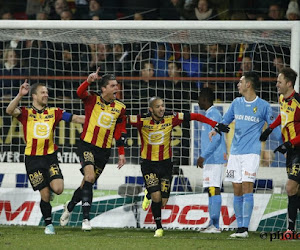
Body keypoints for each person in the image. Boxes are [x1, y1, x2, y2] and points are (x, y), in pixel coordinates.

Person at [129, 96, 229, 237]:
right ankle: (159, 227)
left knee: (163, 201)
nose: (162, 108)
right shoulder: (141, 120)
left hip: (165, 164)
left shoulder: (172, 117)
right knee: (156, 196)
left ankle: (149, 192)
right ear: (150, 109)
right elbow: (121, 120)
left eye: (162, 105)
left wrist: (215, 124)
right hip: (148, 164)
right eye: (158, 107)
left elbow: (195, 116)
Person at [6, 80, 85, 234]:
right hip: (32, 159)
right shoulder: (25, 112)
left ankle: (49, 186)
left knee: (59, 189)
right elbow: (9, 110)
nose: (46, 94)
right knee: (45, 194)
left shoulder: (54, 112)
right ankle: (49, 224)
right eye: (42, 92)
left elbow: (75, 118)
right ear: (34, 96)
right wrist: (20, 95)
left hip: (50, 157)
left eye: (47, 92)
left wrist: (97, 123)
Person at [60, 68, 127, 231]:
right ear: (103, 88)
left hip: (104, 151)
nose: (116, 88)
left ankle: (69, 206)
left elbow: (120, 131)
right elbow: (79, 92)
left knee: (86, 183)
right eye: (112, 86)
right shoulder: (92, 99)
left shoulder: (120, 107)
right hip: (87, 144)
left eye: (116, 85)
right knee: (89, 176)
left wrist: (121, 153)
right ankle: (86, 219)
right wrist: (89, 80)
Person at [210, 72, 274, 238]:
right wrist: (216, 129)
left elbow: (273, 125)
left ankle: (244, 228)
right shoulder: (236, 103)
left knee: (247, 187)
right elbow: (225, 121)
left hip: (251, 153)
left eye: (241, 82)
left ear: (249, 85)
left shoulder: (264, 106)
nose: (238, 84)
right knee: (236, 189)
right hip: (235, 153)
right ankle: (240, 228)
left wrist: (271, 140)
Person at [260, 67, 300, 240]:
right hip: (290, 151)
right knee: (296, 191)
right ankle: (292, 229)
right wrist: (270, 128)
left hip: (298, 149)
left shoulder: (298, 102)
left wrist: (290, 143)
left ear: (289, 83)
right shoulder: (283, 99)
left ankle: (290, 230)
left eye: (280, 81)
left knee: (290, 187)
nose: (277, 84)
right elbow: (282, 117)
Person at [197, 88, 227, 233]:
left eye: (199, 98)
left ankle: (215, 225)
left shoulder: (214, 114)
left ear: (204, 99)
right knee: (211, 190)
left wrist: (204, 156)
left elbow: (217, 139)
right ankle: (212, 223)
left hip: (214, 158)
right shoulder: (210, 114)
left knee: (214, 189)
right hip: (211, 159)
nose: (198, 101)